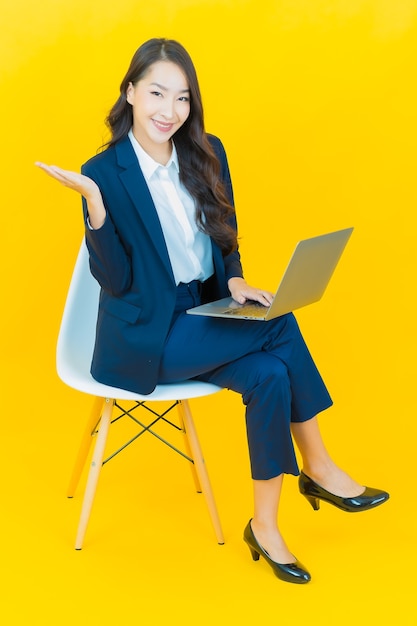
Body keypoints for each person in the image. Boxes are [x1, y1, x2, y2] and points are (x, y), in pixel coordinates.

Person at [36, 38, 389, 584]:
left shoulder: (207, 150)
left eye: (181, 98)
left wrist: (237, 280)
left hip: (204, 313)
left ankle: (266, 528)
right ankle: (317, 467)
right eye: (156, 93)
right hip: (145, 336)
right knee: (282, 323)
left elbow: (225, 233)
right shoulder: (103, 171)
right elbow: (115, 281)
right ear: (130, 92)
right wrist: (96, 208)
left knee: (271, 374)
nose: (168, 111)